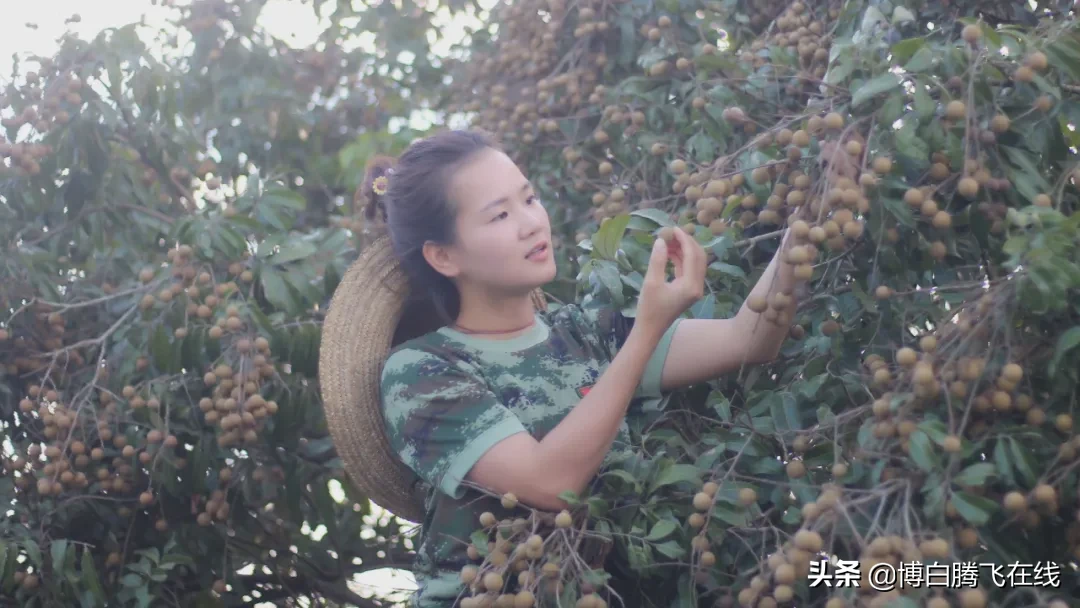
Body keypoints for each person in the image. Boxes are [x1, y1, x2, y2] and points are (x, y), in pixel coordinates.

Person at [366, 130, 802, 608]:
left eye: (529, 198)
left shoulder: (584, 333)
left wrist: (812, 212)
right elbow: (551, 484)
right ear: (443, 256)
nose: (532, 223)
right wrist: (646, 332)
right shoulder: (421, 371)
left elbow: (752, 338)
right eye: (501, 214)